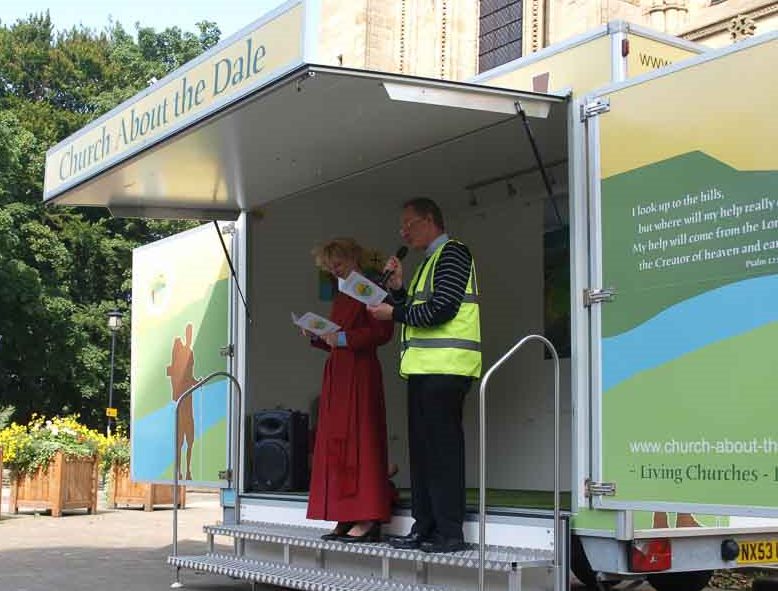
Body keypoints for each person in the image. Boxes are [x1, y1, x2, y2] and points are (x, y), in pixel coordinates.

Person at [368, 197, 481, 554]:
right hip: (423, 371)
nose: (403, 232)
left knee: (443, 453)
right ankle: (425, 527)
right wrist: (399, 291)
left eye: (408, 224)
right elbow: (417, 309)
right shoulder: (427, 263)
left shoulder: (453, 254)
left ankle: (450, 533)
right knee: (423, 452)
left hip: (447, 369)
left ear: (429, 220)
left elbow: (442, 309)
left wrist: (393, 313)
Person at [305, 238, 395, 542]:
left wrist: (341, 340)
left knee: (361, 440)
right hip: (339, 372)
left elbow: (382, 332)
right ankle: (346, 513)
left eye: (339, 264)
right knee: (338, 443)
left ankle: (368, 517)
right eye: (331, 267)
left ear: (354, 260)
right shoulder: (344, 291)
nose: (335, 270)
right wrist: (316, 334)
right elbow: (337, 335)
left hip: (359, 372)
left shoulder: (364, 287)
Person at [166, 323, 198, 481]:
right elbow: (175, 373)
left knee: (190, 439)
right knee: (180, 439)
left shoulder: (190, 352)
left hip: (188, 401)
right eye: (188, 333)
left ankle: (188, 471)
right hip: (182, 400)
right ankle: (178, 471)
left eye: (191, 333)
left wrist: (196, 382)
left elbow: (188, 376)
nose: (190, 336)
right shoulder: (180, 353)